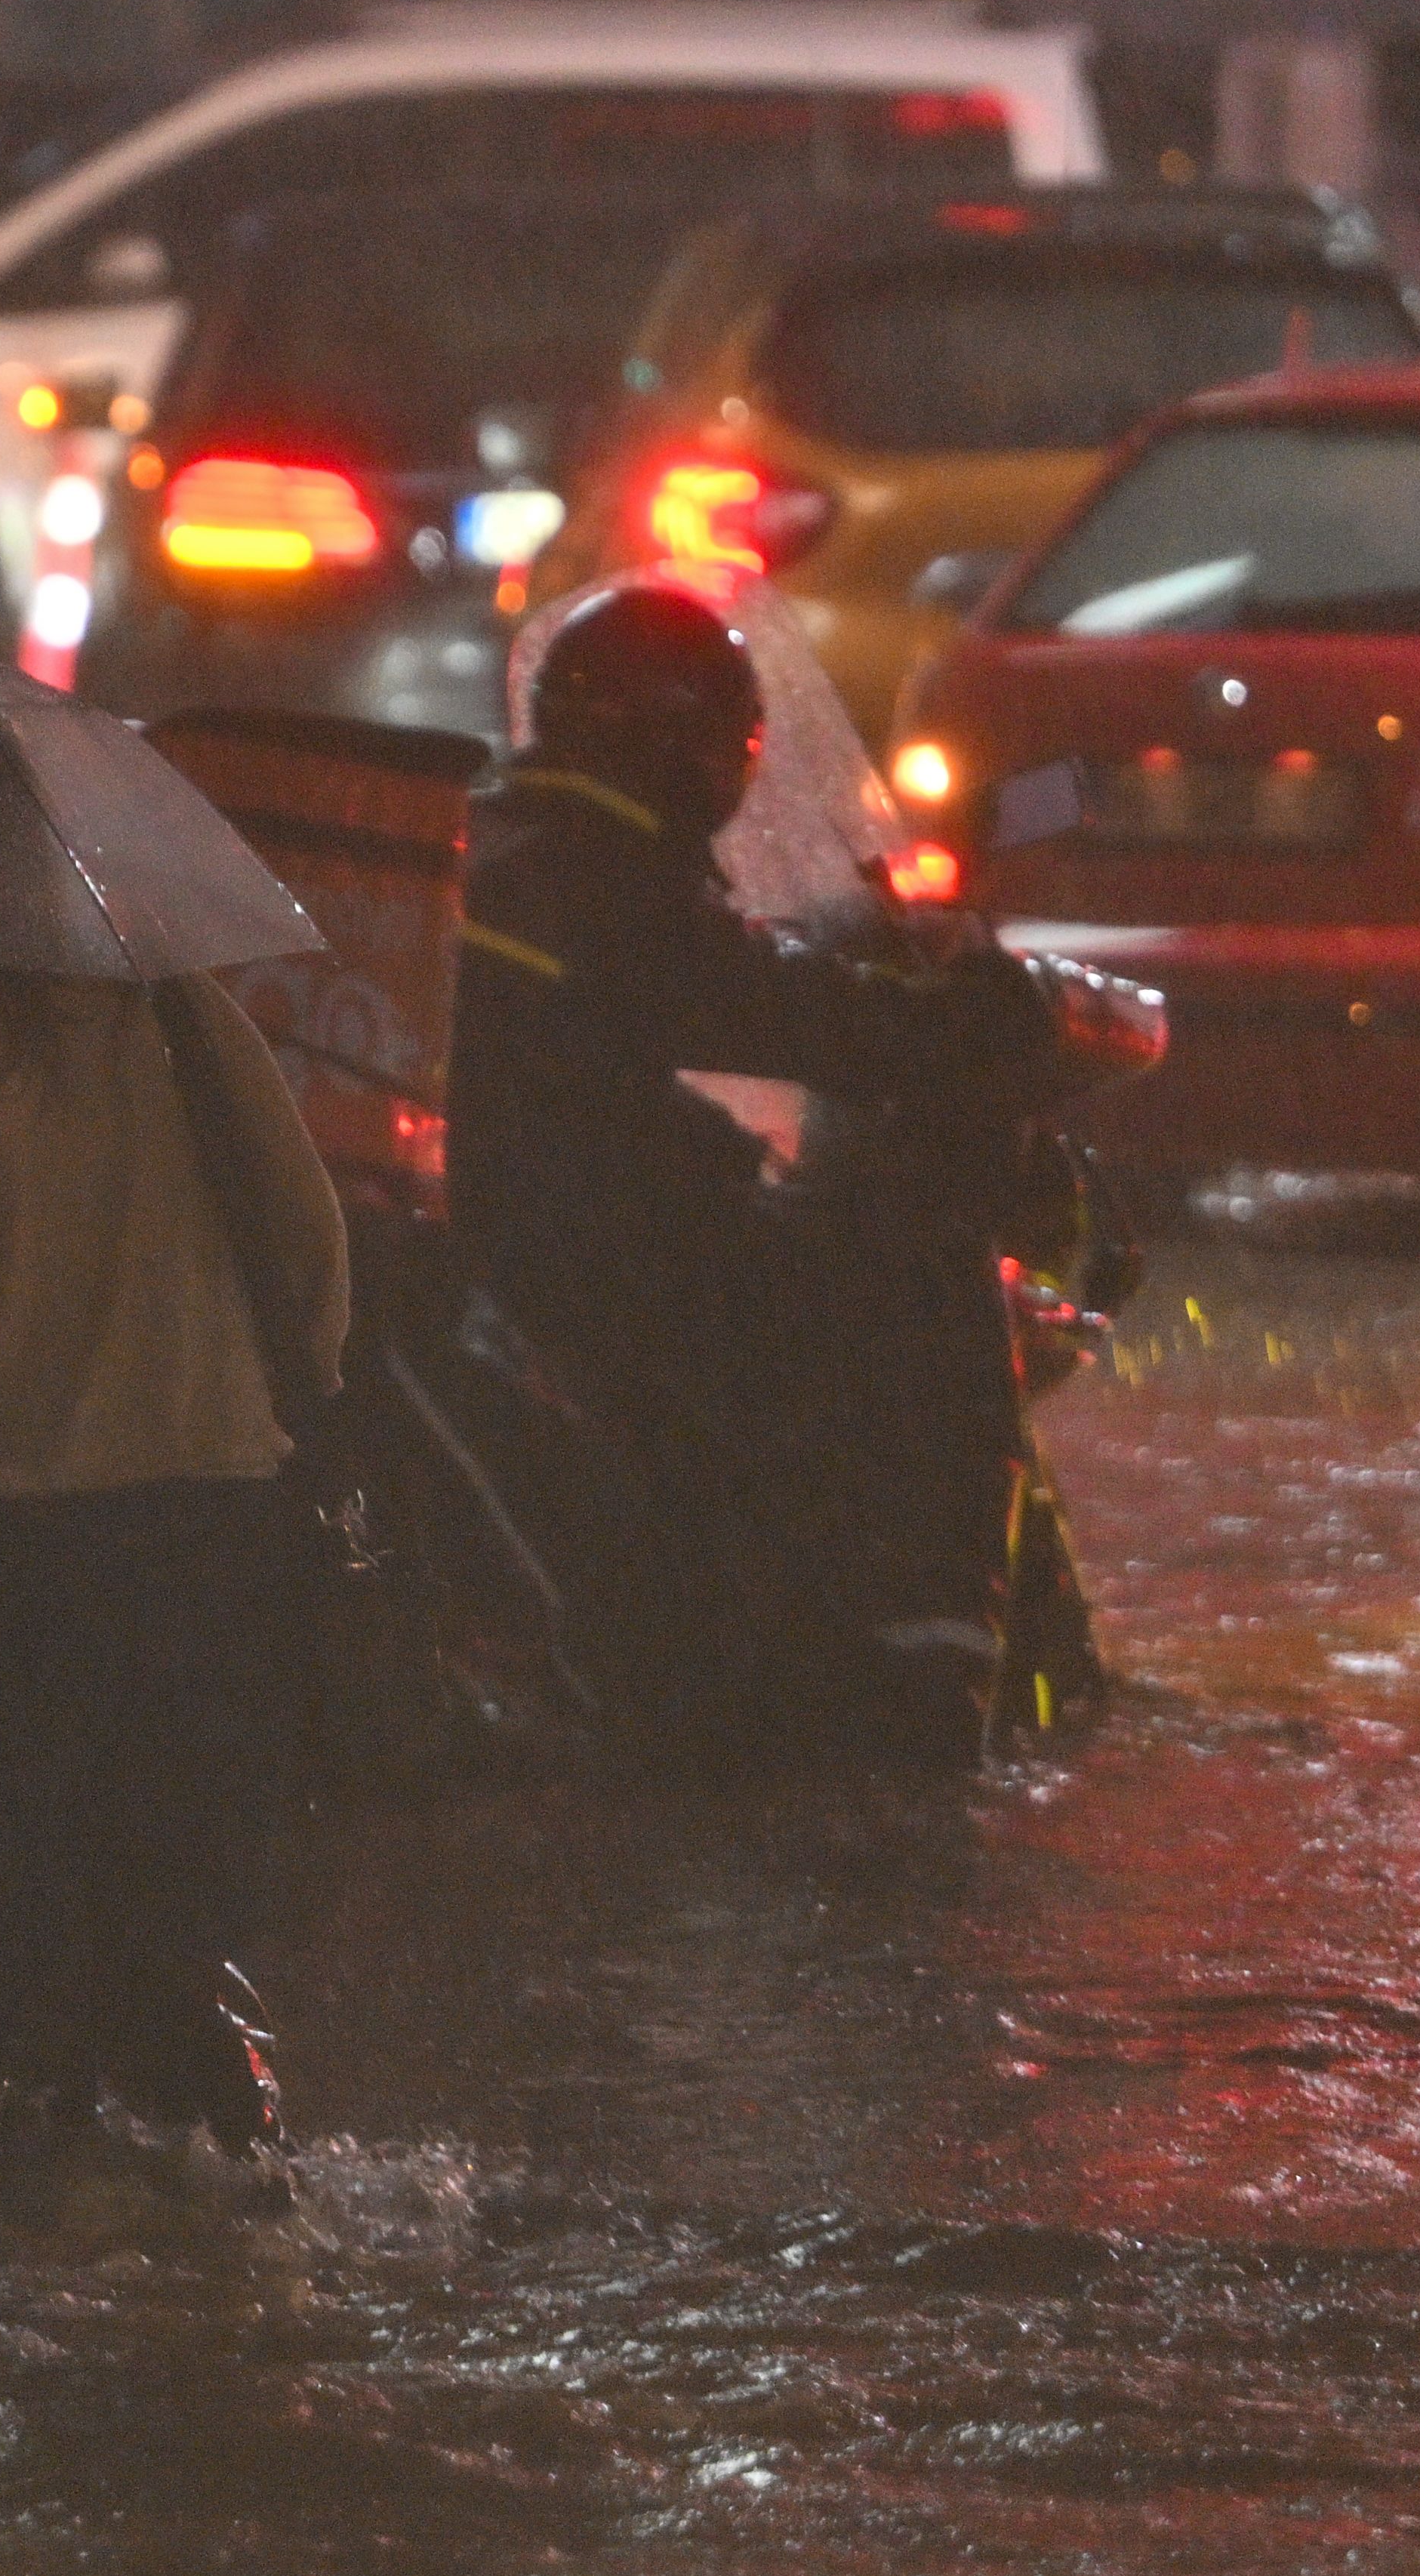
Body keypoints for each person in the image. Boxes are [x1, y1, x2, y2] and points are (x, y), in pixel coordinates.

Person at [451, 581, 1066, 1721]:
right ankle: (917, 1651)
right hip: (597, 1252)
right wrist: (975, 1019)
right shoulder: (603, 864)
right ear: (699, 746)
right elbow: (780, 1010)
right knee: (913, 1274)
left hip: (516, 1219)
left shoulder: (504, 830)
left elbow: (663, 1014)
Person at [0, 919, 347, 2174]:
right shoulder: (179, 1011)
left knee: (7, 2016)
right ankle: (230, 2261)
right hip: (220, 1564)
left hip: (10, 1586)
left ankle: (31, 2310)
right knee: (175, 1966)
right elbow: (314, 1261)